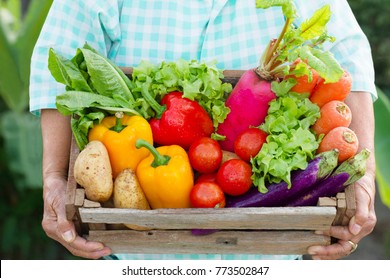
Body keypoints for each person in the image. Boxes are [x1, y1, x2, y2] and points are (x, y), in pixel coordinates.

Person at [30, 0, 377, 260]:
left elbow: (348, 63)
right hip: (140, 256)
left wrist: (363, 179)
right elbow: (60, 56)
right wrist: (54, 176)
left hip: (271, 255)